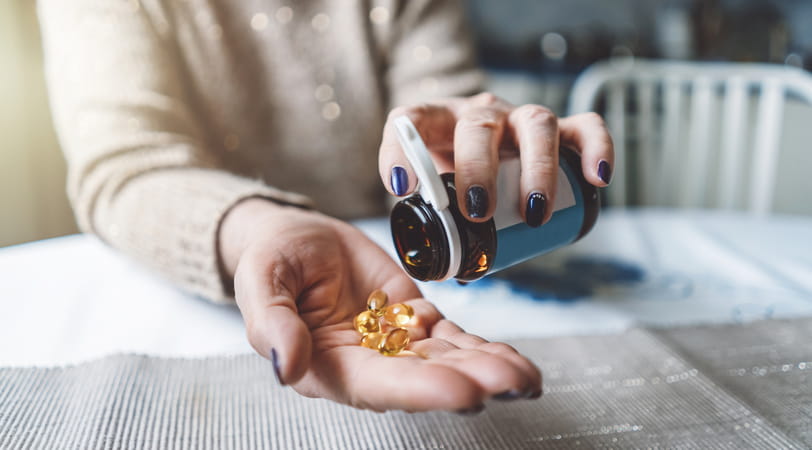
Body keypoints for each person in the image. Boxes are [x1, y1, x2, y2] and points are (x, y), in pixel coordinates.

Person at [39, 0, 613, 413]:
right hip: (183, 317)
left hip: (385, 267)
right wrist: (261, 228)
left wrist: (476, 154)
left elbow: (437, 112)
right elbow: (125, 170)